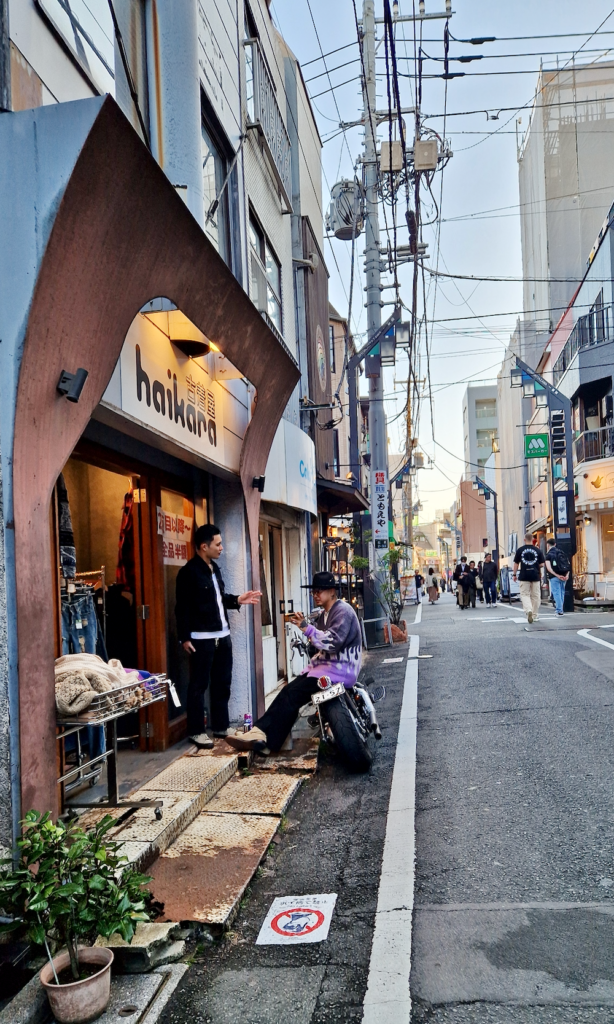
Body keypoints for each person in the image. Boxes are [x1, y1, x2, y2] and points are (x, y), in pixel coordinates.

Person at [225, 571, 362, 754]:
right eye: (314, 591)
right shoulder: (324, 615)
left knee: (291, 694)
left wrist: (306, 627)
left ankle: (264, 736)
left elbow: (331, 643)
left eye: (320, 591)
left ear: (332, 592)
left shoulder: (343, 611)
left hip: (338, 670)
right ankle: (265, 736)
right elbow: (319, 644)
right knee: (289, 692)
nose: (316, 595)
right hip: (327, 669)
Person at [175, 523, 261, 748]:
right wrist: (185, 638)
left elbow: (218, 599)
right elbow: (181, 608)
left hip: (223, 635)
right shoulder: (188, 573)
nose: (221, 547)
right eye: (218, 544)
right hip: (201, 639)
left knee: (223, 682)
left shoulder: (215, 569)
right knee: (199, 685)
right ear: (204, 546)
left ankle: (221, 726)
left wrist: (237, 600)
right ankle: (196, 731)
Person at [513, 533, 545, 624]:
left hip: (524, 575)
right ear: (533, 539)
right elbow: (542, 564)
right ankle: (534, 615)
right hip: (535, 575)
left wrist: (514, 574)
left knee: (524, 594)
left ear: (524, 539)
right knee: (536, 596)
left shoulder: (520, 550)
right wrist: (535, 565)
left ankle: (528, 610)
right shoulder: (537, 550)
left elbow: (516, 563)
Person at [545, 536, 570, 616]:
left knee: (556, 593)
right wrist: (567, 575)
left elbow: (549, 568)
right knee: (561, 592)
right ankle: (561, 609)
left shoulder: (548, 555)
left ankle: (559, 610)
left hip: (554, 577)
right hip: (564, 575)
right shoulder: (562, 552)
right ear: (555, 544)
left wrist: (557, 575)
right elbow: (568, 564)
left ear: (548, 545)